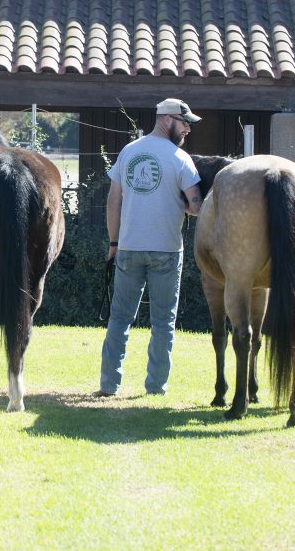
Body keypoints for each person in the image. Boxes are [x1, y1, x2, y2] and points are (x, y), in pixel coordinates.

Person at [96, 98, 203, 397]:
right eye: (185, 123)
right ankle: (155, 387)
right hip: (167, 250)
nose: (187, 130)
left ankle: (108, 384)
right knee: (163, 322)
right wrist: (180, 203)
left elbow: (113, 201)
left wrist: (114, 242)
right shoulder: (180, 159)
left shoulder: (129, 152)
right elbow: (196, 206)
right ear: (168, 120)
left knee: (119, 319)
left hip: (128, 248)